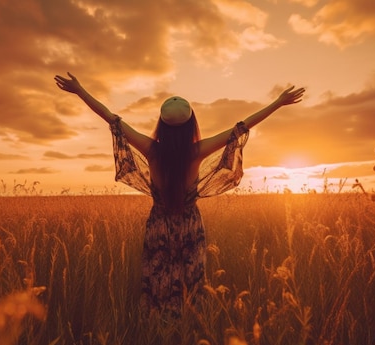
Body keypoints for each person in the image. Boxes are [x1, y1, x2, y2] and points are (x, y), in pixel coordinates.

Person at [54, 72, 304, 317]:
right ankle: (187, 326)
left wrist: (80, 91)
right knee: (190, 280)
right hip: (189, 224)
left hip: (158, 224)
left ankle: (155, 323)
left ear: (161, 123)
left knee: (156, 277)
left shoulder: (151, 149)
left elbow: (112, 119)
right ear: (191, 123)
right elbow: (241, 127)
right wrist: (278, 103)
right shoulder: (197, 151)